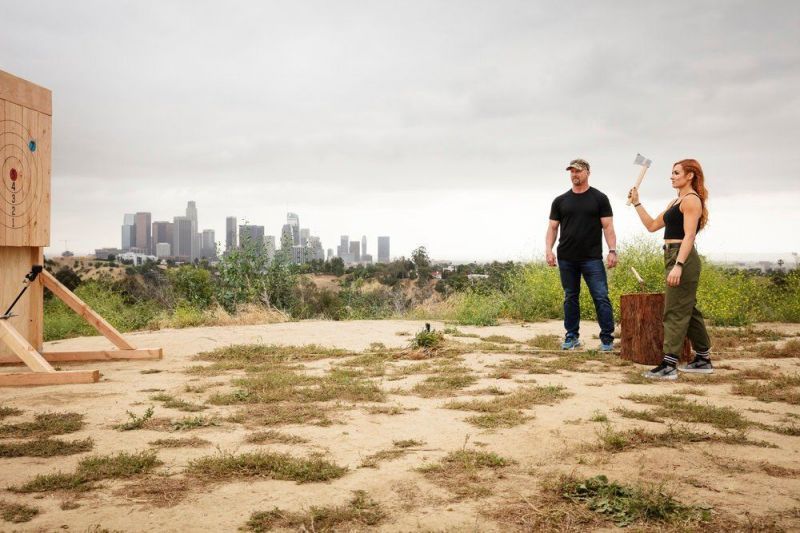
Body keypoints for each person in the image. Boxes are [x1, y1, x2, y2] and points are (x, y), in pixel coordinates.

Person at [628, 158, 712, 380]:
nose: (671, 176)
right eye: (672, 173)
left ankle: (669, 365)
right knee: (688, 309)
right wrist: (637, 203)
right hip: (671, 254)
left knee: (673, 310)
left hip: (681, 256)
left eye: (676, 173)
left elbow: (690, 236)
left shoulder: (692, 200)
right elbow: (652, 226)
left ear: (690, 175)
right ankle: (703, 359)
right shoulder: (675, 202)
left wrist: (679, 265)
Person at [546, 158, 617, 351]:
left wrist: (612, 250)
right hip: (567, 257)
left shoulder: (599, 198)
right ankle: (571, 336)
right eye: (572, 171)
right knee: (570, 296)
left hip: (592, 258)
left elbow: (608, 226)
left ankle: (607, 339)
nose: (574, 174)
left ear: (587, 172)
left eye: (578, 171)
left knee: (601, 296)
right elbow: (553, 228)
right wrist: (548, 250)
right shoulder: (560, 201)